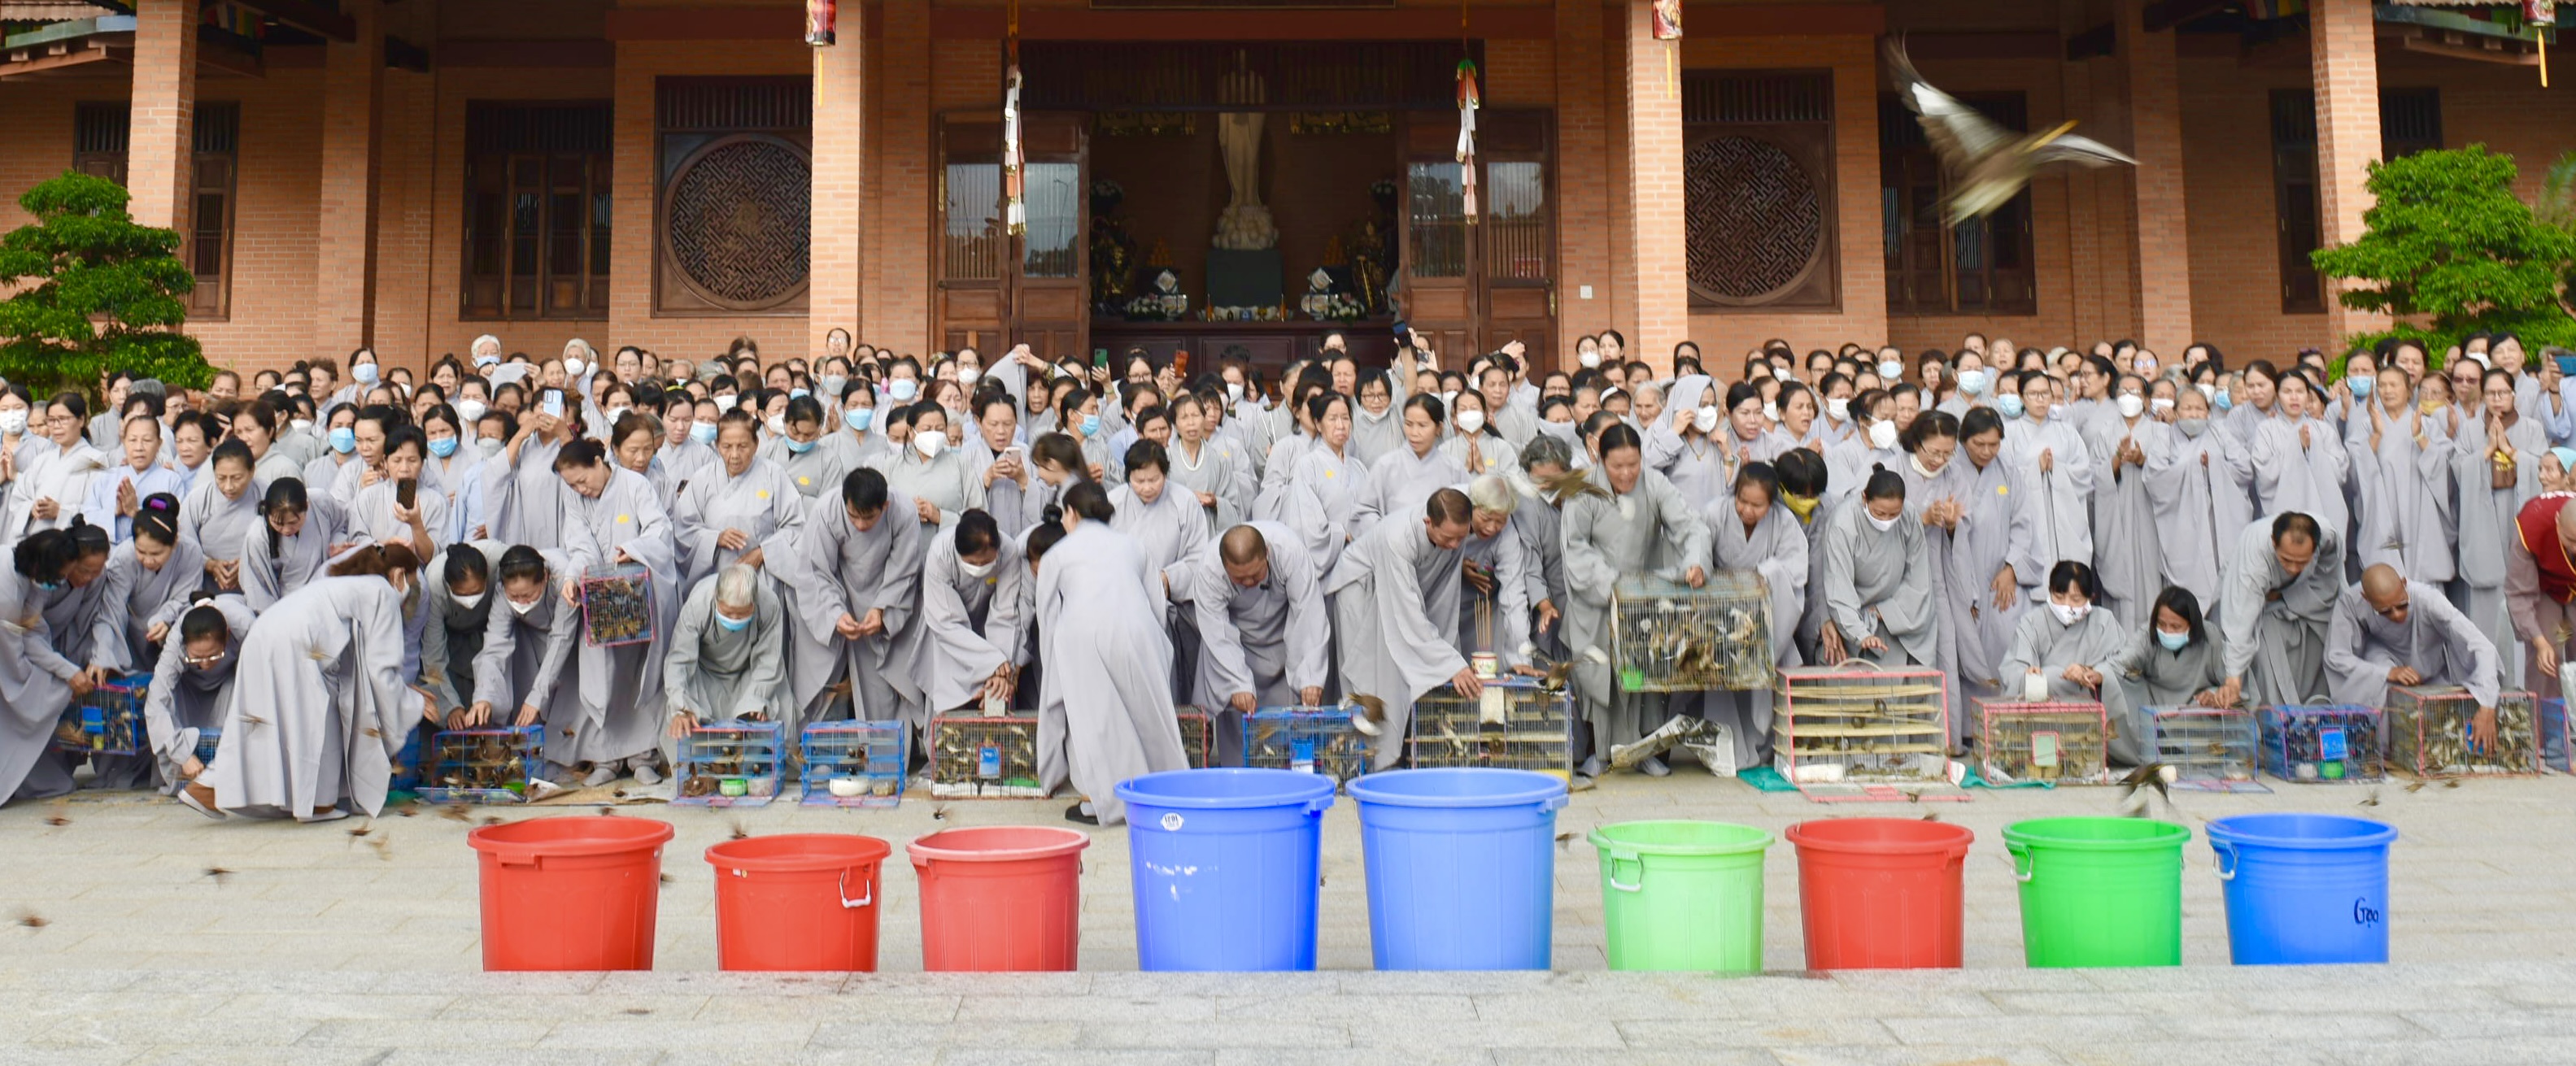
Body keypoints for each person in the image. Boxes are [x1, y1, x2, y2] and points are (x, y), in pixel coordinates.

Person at [182, 544, 425, 821]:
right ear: (398, 575)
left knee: (259, 726)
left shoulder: (341, 583)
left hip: (265, 636)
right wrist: (411, 703)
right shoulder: (382, 591)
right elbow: (382, 667)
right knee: (313, 720)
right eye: (411, 583)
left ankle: (209, 787)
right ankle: (314, 803)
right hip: (296, 645)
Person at [1031, 483, 1189, 825]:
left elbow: (1047, 613)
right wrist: (1156, 645)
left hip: (1082, 633)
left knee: (1095, 721)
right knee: (1149, 713)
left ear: (1071, 513)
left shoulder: (1059, 553)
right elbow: (1156, 601)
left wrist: (1054, 663)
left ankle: (1103, 801)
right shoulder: (1133, 545)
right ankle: (1168, 790)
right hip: (1137, 628)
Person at [1563, 425, 1713, 777]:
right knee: (1601, 676)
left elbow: (1690, 526)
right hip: (1599, 597)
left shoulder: (1655, 483)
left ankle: (1644, 749)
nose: (1627, 473)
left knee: (1643, 671)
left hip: (1644, 594)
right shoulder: (1582, 490)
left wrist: (1695, 562)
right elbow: (1576, 548)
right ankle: (1600, 753)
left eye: (1633, 464)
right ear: (1600, 459)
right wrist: (1611, 584)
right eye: (1618, 466)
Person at [1328, 487, 1481, 772]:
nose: (1454, 545)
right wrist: (1449, 663)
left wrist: (1445, 653)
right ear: (1428, 522)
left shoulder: (1453, 534)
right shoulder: (1397, 538)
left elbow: (1442, 598)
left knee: (1401, 672)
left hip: (1395, 592)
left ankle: (1391, 758)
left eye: (1461, 538)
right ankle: (1363, 765)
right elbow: (1407, 614)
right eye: (1449, 538)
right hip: (1361, 590)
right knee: (1370, 679)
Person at [773, 468, 923, 732]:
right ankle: (815, 746)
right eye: (853, 516)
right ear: (845, 503)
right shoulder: (826, 510)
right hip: (835, 589)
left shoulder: (904, 512)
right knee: (820, 675)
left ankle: (883, 748)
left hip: (884, 591)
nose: (861, 525)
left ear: (885, 506)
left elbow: (904, 570)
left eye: (869, 517)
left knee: (884, 682)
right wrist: (834, 615)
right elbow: (815, 571)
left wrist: (882, 610)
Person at [1179, 520, 1330, 758]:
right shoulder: (1209, 570)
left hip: (1281, 634)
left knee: (1287, 724)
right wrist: (1238, 682)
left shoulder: (1289, 551)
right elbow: (1218, 633)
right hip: (1235, 644)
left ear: (1267, 553)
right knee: (1239, 719)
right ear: (1225, 567)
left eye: (1255, 575)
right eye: (1240, 579)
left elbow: (1308, 613)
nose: (1249, 583)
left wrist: (1310, 674)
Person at [1700, 462, 1809, 768]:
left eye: (1757, 505)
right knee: (1722, 677)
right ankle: (1725, 751)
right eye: (1742, 501)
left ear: (1771, 503)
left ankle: (1764, 746)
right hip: (1721, 609)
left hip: (1767, 613)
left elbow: (1795, 569)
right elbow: (1698, 552)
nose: (1747, 510)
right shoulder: (1714, 513)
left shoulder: (1784, 522)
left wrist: (1763, 575)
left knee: (1765, 676)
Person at [0, 521, 113, 805]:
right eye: (64, 575)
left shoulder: (33, 580)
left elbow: (32, 631)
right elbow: (15, 653)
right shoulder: (8, 588)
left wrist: (64, 671)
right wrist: (53, 683)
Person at [2325, 564, 2503, 743]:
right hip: (2382, 663)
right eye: (2385, 611)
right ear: (2366, 598)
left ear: (2404, 583)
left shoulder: (2428, 599)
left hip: (2430, 666)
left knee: (2445, 725)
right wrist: (2386, 673)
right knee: (2377, 677)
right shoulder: (2351, 601)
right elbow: (2336, 656)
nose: (2396, 615)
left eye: (2402, 605)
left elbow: (2480, 645)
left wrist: (2487, 703)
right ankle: (2380, 747)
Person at [2000, 560, 2141, 764]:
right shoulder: (2032, 621)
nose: (2067, 605)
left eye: (2076, 599)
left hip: (2089, 708)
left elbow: (2122, 665)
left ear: (2091, 598)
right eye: (2059, 597)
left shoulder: (2105, 621)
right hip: (2042, 709)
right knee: (2045, 679)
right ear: (2050, 592)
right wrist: (2029, 674)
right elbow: (2014, 668)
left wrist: (2091, 672)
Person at [2457, 368, 2548, 672]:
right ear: (2482, 396)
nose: (2497, 399)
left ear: (2513, 395)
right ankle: (2487, 668)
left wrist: (2510, 451)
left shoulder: (2532, 428)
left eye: (2503, 393)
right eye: (2491, 393)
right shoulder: (2470, 429)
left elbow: (2544, 469)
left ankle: (2523, 669)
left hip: (2519, 507)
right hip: (2483, 510)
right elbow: (2457, 469)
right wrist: (2486, 451)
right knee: (2487, 591)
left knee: (2522, 574)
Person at [468, 546, 582, 777]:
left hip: (572, 635)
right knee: (523, 692)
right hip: (532, 637)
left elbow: (561, 638)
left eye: (527, 595)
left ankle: (581, 758)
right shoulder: (502, 592)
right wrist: (483, 696)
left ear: (545, 578)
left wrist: (537, 696)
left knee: (569, 698)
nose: (520, 601)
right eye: (514, 597)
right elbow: (494, 645)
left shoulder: (562, 577)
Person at [1821, 466, 1941, 681]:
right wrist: (1861, 634)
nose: (1886, 520)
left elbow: (1918, 576)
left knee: (1906, 690)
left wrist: (1886, 611)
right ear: (1864, 498)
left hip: (1898, 615)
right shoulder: (1843, 523)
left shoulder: (1909, 515)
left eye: (1894, 514)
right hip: (1854, 616)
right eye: (1879, 513)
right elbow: (1839, 586)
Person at [2216, 512, 2345, 710]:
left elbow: (2329, 578)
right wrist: (2233, 679)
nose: (2293, 568)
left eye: (2302, 562)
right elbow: (2240, 621)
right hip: (2253, 606)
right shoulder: (2254, 560)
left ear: (2315, 548)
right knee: (2261, 660)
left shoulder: (2328, 536)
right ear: (2273, 542)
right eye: (2286, 559)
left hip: (2302, 599)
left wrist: (2289, 597)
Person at [661, 563, 795, 755]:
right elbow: (679, 659)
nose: (734, 619)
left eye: (741, 614)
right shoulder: (698, 604)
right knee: (689, 725)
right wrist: (681, 707)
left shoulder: (769, 604)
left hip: (749, 672)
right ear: (717, 598)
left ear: (754, 603)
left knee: (769, 711)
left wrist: (755, 700)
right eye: (728, 612)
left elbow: (768, 661)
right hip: (705, 672)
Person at [2143, 387, 2251, 616]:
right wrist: (2192, 468)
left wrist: (2214, 466)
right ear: (2176, 411)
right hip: (2183, 520)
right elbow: (2154, 477)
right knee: (2191, 578)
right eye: (2188, 408)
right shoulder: (2165, 437)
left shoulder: (2220, 432)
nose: (2194, 414)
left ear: (2208, 412)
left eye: (2200, 409)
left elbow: (2244, 468)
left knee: (2226, 575)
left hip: (2220, 518)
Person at [671, 409, 804, 590]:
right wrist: (715, 538)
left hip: (763, 578)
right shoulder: (702, 479)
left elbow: (795, 526)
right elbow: (683, 528)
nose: (734, 455)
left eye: (742, 446)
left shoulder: (774, 475)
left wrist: (763, 552)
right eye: (727, 446)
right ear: (717, 445)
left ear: (756, 444)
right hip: (714, 578)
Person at [2351, 363, 2456, 588]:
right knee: (2386, 579)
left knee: (2422, 582)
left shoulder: (2427, 424)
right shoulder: (2366, 426)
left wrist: (2419, 436)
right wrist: (2376, 435)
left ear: (2409, 390)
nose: (2387, 390)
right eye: (2382, 386)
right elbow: (2354, 469)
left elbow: (2445, 465)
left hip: (2420, 512)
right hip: (2382, 511)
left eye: (2394, 385)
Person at [143, 598, 254, 796]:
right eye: (197, 658)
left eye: (213, 656)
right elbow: (156, 702)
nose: (205, 664)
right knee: (170, 712)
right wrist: (183, 755)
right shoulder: (176, 643)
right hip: (190, 685)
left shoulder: (245, 626)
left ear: (227, 635)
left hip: (230, 679)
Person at [2085, 375, 2166, 627]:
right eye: (2123, 391)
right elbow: (2094, 476)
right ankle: (2119, 641)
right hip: (2115, 517)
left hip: (2151, 517)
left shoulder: (2162, 432)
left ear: (2147, 400)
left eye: (2136, 392)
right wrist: (2117, 458)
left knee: (2151, 574)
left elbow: (2170, 477)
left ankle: (2154, 635)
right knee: (2119, 574)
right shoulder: (2105, 432)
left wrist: (2142, 460)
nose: (2129, 397)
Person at [101, 494, 203, 672]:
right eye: (141, 551)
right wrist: (104, 653)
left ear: (175, 542)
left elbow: (185, 598)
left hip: (170, 626)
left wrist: (165, 619)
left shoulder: (191, 551)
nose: (148, 560)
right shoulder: (125, 556)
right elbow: (112, 608)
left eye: (156, 554)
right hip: (127, 631)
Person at [419, 541, 501, 725]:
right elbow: (433, 655)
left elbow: (499, 641)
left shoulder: (498, 558)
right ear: (448, 586)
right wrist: (451, 706)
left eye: (476, 592)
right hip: (452, 638)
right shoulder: (434, 582)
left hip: (492, 627)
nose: (470, 600)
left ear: (487, 576)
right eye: (461, 594)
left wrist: (486, 695)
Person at [2507, 491, 2576, 701]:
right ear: (2557, 522)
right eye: (2570, 540)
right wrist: (2539, 642)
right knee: (2548, 654)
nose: (2575, 548)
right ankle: (2547, 718)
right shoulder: (2530, 526)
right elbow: (2519, 594)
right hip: (2544, 587)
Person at [80, 412, 190, 544]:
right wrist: (114, 512)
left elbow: (177, 524)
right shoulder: (106, 478)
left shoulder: (171, 480)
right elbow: (86, 518)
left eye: (147, 440)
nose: (139, 448)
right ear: (124, 442)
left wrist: (135, 512)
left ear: (159, 443)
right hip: (109, 552)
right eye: (133, 440)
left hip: (153, 553)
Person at [2118, 585, 2231, 711]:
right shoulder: (2148, 633)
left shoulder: (2210, 637)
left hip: (2198, 710)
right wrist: (2103, 673)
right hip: (2151, 708)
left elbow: (2233, 683)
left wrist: (2215, 694)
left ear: (2192, 625)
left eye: (2176, 626)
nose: (2167, 632)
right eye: (2161, 624)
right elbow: (2124, 659)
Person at [181, 441, 261, 595]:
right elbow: (184, 545)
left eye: (237, 478)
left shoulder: (265, 495)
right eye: (221, 478)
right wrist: (209, 564)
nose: (228, 486)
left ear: (252, 471)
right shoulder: (198, 499)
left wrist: (250, 564)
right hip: (206, 589)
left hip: (255, 587)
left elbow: (281, 545)